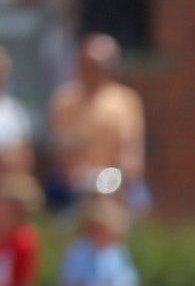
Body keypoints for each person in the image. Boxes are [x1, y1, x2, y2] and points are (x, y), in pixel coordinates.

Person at [47, 35, 148, 209]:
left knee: (139, 201)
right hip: (75, 189)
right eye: (87, 65)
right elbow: (62, 154)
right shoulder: (64, 102)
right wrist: (84, 181)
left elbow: (131, 157)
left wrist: (105, 184)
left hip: (118, 187)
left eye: (99, 67)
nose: (92, 72)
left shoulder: (126, 101)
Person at [0, 48, 34, 175]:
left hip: (13, 181)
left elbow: (27, 155)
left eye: (4, 70)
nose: (2, 76)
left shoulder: (17, 110)